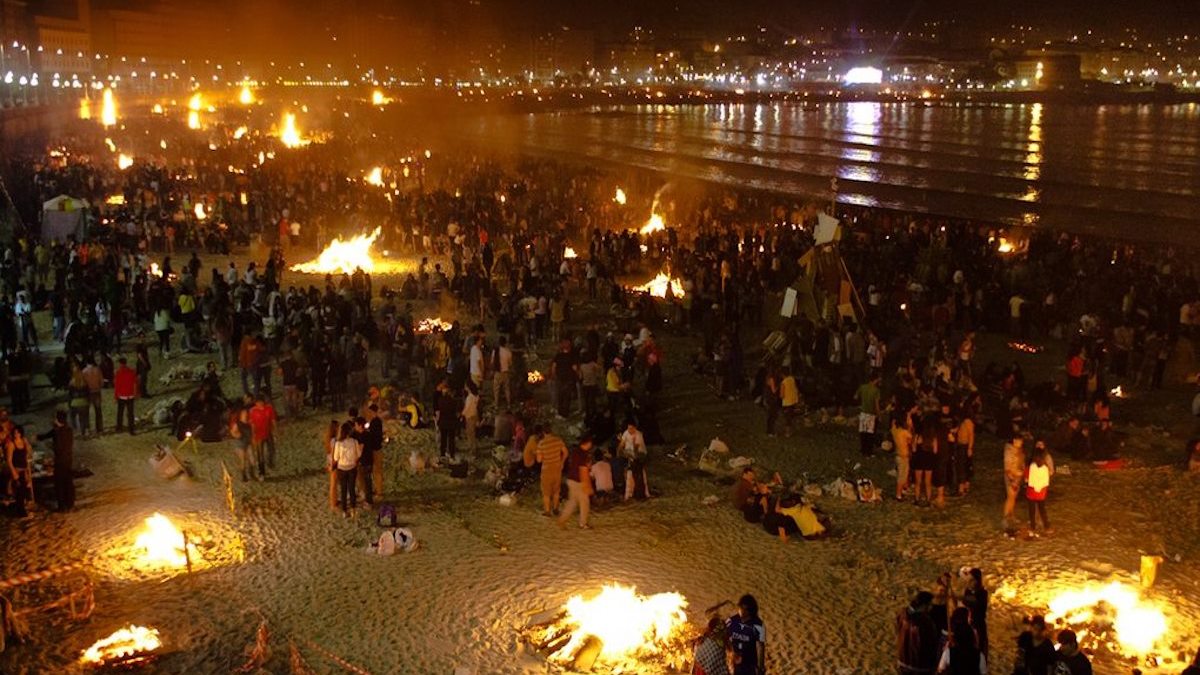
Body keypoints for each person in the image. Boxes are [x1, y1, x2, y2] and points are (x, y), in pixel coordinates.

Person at [38, 411, 75, 511]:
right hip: (68, 459)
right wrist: (40, 437)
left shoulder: (58, 432)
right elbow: (49, 434)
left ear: (58, 420)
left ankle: (62, 506)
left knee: (59, 483)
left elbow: (58, 448)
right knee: (68, 481)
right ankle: (70, 503)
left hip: (60, 460)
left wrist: (49, 445)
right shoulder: (68, 429)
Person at [897, 591, 939, 675]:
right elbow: (931, 644)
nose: (931, 607)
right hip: (919, 666)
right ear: (924, 605)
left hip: (903, 661)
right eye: (930, 604)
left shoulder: (902, 614)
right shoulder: (925, 622)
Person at [557, 435, 594, 529]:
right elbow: (583, 470)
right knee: (585, 502)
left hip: (571, 479)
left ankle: (562, 519)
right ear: (588, 443)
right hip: (579, 481)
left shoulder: (575, 452)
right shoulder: (583, 454)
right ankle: (583, 523)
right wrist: (587, 485)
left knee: (572, 502)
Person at [529, 427, 567, 517]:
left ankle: (547, 511)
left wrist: (536, 454)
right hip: (557, 469)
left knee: (546, 492)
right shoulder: (558, 440)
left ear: (543, 432)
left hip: (546, 470)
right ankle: (556, 509)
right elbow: (565, 452)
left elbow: (539, 460)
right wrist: (562, 462)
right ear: (551, 431)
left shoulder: (541, 444)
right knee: (556, 491)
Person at [936, 607, 986, 675]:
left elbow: (940, 669)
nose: (970, 619)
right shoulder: (980, 656)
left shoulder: (949, 652)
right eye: (969, 617)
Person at [726, 594, 765, 675]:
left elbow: (760, 647)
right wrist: (731, 652)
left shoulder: (758, 625)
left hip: (750, 664)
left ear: (749, 611)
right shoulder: (731, 621)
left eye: (742, 608)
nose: (740, 610)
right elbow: (724, 638)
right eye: (740, 607)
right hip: (734, 663)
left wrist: (760, 667)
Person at [331, 420, 362, 517]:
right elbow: (359, 454)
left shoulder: (338, 444)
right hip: (352, 467)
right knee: (352, 489)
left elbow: (336, 458)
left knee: (343, 490)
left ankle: (344, 511)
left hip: (342, 468)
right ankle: (353, 509)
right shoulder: (354, 442)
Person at [959, 568, 990, 657]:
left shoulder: (982, 593)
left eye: (971, 580)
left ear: (977, 580)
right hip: (967, 625)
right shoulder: (967, 591)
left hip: (978, 626)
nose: (969, 583)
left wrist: (959, 596)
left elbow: (974, 601)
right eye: (968, 580)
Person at [248, 395, 278, 480]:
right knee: (260, 454)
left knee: (271, 450)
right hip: (258, 435)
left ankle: (270, 463)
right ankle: (262, 472)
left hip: (268, 433)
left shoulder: (269, 409)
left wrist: (275, 431)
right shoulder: (253, 411)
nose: (259, 404)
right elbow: (252, 424)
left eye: (261, 402)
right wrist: (253, 435)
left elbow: (273, 420)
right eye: (258, 402)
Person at [5, 425, 34, 515]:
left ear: (21, 433)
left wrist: (26, 442)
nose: (16, 434)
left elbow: (29, 452)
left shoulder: (23, 442)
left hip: (24, 469)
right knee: (19, 492)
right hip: (17, 470)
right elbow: (9, 460)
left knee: (24, 490)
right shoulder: (11, 444)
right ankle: (20, 512)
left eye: (18, 432)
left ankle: (22, 510)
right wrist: (14, 473)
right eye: (15, 433)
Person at [854, 371, 882, 455]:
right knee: (870, 434)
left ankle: (862, 449)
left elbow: (855, 397)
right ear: (876, 379)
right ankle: (868, 451)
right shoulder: (876, 390)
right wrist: (879, 415)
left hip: (863, 413)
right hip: (871, 414)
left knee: (863, 432)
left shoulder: (863, 387)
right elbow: (876, 405)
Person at [1002, 434, 1026, 529]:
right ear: (1014, 441)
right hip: (1011, 477)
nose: (1020, 443)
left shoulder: (1020, 451)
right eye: (1018, 441)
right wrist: (1012, 479)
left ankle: (1011, 515)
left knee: (1014, 497)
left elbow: (1022, 462)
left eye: (1021, 441)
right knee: (1010, 497)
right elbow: (1007, 467)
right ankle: (1005, 517)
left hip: (1018, 477)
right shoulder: (1009, 451)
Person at [1026, 445, 1051, 533]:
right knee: (1042, 510)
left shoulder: (1032, 466)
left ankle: (1033, 526)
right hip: (1041, 493)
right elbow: (1046, 482)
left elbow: (1029, 479)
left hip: (1032, 492)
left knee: (1032, 511)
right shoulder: (1045, 468)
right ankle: (1046, 526)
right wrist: (1040, 488)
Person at [364, 405, 385, 500]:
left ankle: (379, 492)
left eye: (370, 411)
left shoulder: (374, 422)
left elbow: (373, 436)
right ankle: (378, 489)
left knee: (377, 471)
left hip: (375, 449)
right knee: (376, 471)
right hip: (378, 448)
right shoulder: (377, 421)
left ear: (373, 412)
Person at [113, 357, 138, 435]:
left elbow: (117, 386)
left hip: (122, 395)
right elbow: (135, 384)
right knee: (130, 413)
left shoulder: (118, 372)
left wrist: (115, 396)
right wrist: (135, 393)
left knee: (120, 412)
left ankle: (119, 427)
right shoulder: (132, 372)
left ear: (120, 363)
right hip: (130, 395)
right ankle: (131, 430)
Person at [892, 415, 913, 501]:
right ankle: (898, 494)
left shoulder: (894, 430)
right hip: (903, 456)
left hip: (897, 455)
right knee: (902, 475)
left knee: (902, 474)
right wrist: (910, 427)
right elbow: (911, 439)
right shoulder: (905, 432)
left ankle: (902, 490)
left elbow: (893, 424)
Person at [323, 419, 339, 510]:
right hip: (333, 461)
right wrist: (332, 464)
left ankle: (334, 501)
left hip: (329, 460)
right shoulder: (334, 440)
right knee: (333, 483)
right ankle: (333, 503)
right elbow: (333, 453)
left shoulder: (328, 438)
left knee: (333, 482)